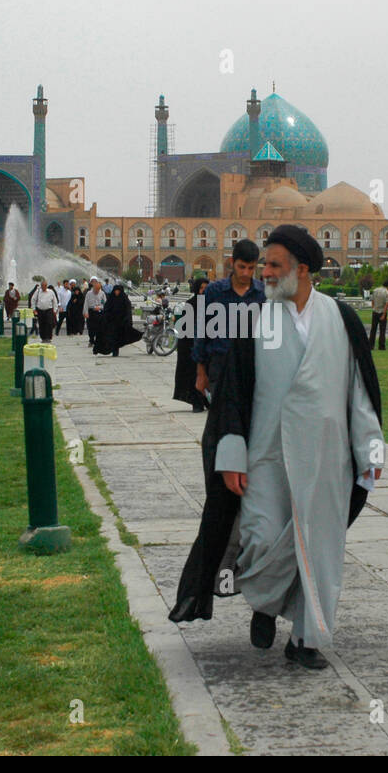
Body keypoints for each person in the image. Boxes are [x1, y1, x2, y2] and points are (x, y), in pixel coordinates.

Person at [205, 226, 382, 670]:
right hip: (266, 459)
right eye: (263, 264)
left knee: (319, 553)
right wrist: (230, 456)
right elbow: (232, 395)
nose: (263, 272)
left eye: (273, 265)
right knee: (262, 540)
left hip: (326, 460)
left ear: (302, 270)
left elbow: (358, 394)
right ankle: (264, 605)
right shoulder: (258, 323)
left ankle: (305, 639)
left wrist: (370, 452)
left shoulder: (340, 319)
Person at [169, 240, 266, 625]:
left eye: (251, 268)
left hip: (252, 375)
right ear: (232, 264)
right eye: (241, 267)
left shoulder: (263, 295)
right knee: (221, 443)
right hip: (222, 368)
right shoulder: (217, 293)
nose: (246, 273)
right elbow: (199, 337)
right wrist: (201, 371)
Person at [173, 277, 210, 413]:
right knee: (193, 375)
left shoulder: (212, 305)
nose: (203, 292)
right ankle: (197, 402)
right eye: (201, 289)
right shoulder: (190, 305)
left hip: (207, 347)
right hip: (192, 347)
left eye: (206, 289)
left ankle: (207, 400)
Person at [94, 283, 142, 356]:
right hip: (112, 322)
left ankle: (115, 352)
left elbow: (128, 310)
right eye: (115, 291)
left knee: (118, 337)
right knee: (111, 337)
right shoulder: (111, 298)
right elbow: (107, 308)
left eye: (118, 291)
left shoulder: (124, 299)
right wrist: (105, 317)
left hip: (120, 322)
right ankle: (112, 350)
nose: (116, 292)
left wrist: (126, 319)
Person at [369, 279, 388, 351]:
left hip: (375, 312)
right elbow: (386, 305)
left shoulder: (375, 290)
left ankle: (371, 345)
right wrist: (383, 315)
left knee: (373, 329)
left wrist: (374, 309)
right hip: (382, 312)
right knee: (382, 330)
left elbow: (372, 301)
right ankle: (381, 346)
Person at [84, 277, 106, 347]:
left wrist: (100, 307)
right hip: (91, 312)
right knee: (90, 327)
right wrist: (85, 312)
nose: (97, 291)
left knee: (99, 327)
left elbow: (105, 303)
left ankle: (97, 341)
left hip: (99, 312)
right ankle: (91, 340)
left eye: (98, 290)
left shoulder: (102, 293)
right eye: (96, 289)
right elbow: (86, 303)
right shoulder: (89, 293)